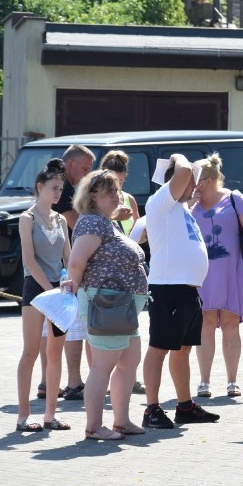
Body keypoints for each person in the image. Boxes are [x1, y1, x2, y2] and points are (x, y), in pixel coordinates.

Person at [67, 169, 150, 440]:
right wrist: (77, 289)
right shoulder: (92, 222)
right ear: (93, 195)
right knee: (103, 366)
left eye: (117, 190)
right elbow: (77, 262)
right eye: (110, 191)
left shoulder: (107, 222)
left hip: (122, 307)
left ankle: (121, 421)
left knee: (129, 361)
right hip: (107, 305)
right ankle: (93, 427)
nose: (117, 195)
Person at [142, 154, 220, 429]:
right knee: (159, 348)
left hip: (187, 290)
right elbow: (184, 167)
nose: (195, 186)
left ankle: (184, 406)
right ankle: (151, 409)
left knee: (183, 349)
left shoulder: (181, 209)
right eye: (190, 181)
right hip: (168, 289)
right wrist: (176, 157)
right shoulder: (161, 201)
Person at [191, 153, 243, 399]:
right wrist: (188, 204)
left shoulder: (234, 198)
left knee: (230, 324)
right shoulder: (190, 205)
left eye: (194, 179)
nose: (190, 184)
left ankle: (232, 381)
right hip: (202, 274)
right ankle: (204, 381)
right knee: (206, 323)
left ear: (207, 180)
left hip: (232, 270)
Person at [14, 159, 71, 432]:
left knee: (55, 352)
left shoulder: (60, 219)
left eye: (60, 188)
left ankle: (51, 415)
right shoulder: (28, 218)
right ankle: (23, 416)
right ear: (40, 187)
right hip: (36, 289)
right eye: (53, 188)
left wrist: (70, 282)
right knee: (30, 351)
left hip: (59, 290)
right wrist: (50, 292)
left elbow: (69, 258)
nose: (58, 193)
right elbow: (29, 260)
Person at [41, 145, 94, 401]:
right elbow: (78, 224)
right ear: (71, 163)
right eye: (85, 167)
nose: (87, 173)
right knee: (71, 325)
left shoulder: (53, 186)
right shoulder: (64, 190)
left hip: (52, 265)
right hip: (63, 266)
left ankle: (45, 382)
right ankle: (73, 382)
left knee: (50, 327)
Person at [99, 149, 145, 395]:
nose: (118, 190)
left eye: (122, 182)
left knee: (130, 325)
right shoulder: (96, 201)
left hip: (130, 271)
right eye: (114, 183)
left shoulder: (129, 199)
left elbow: (138, 230)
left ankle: (130, 376)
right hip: (106, 273)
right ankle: (102, 377)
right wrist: (116, 216)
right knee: (100, 328)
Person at [99, 150, 140, 236]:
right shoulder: (97, 199)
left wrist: (146, 232)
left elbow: (138, 233)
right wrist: (114, 215)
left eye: (120, 182)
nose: (117, 187)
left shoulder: (129, 199)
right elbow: (90, 223)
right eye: (113, 181)